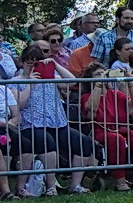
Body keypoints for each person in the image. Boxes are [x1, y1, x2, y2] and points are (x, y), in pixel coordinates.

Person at [16, 42, 97, 193]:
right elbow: (19, 104)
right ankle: (51, 185)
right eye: (29, 63)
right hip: (32, 126)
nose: (33, 67)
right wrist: (30, 83)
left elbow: (72, 81)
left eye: (37, 63)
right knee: (47, 142)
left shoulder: (51, 77)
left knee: (84, 143)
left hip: (58, 124)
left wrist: (54, 65)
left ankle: (75, 185)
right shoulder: (17, 81)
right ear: (23, 62)